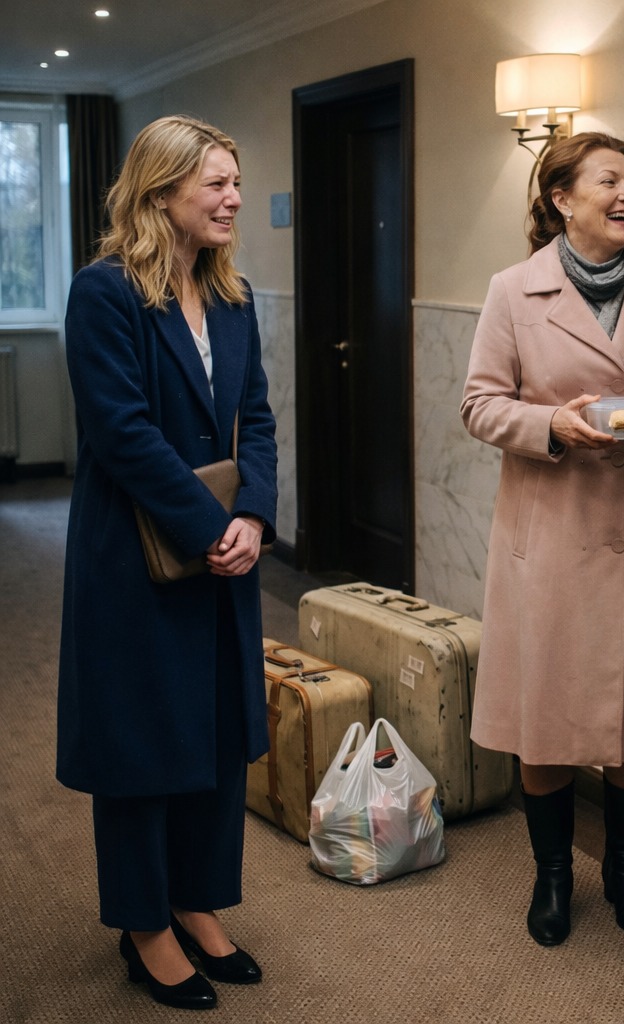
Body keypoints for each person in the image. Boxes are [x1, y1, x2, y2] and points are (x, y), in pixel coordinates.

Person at [461, 131, 624, 947]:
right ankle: (554, 878)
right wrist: (552, 425)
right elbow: (479, 404)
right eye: (610, 180)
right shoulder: (512, 290)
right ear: (562, 199)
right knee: (547, 721)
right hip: (550, 539)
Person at [56, 115, 278, 1010]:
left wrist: (253, 515)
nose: (234, 199)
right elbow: (121, 433)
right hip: (132, 557)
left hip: (224, 558)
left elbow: (256, 418)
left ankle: (197, 902)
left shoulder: (233, 297)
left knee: (216, 736)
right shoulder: (103, 292)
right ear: (161, 191)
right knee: (141, 744)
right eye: (216, 184)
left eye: (235, 182)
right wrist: (208, 524)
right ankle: (144, 925)